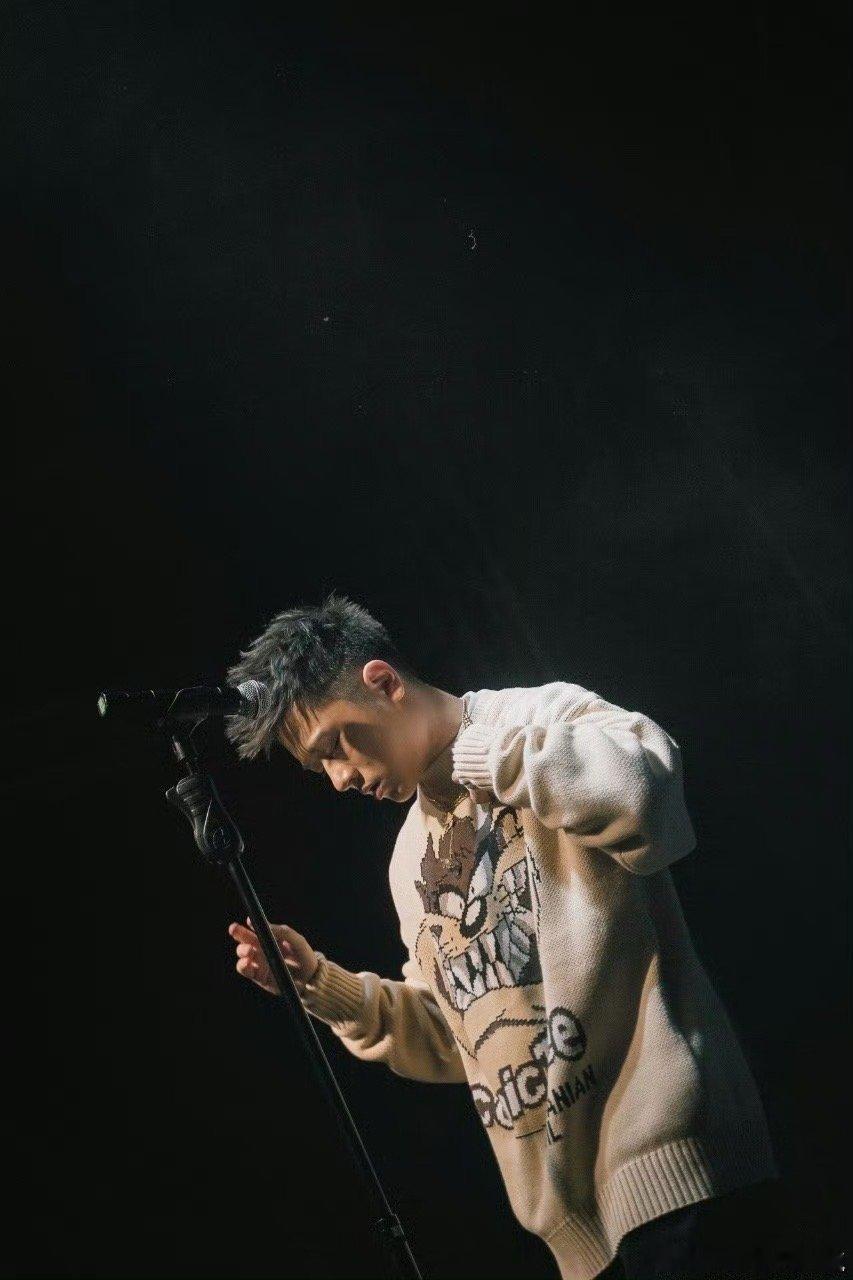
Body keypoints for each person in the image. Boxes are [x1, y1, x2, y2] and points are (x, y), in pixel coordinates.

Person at [223, 592, 785, 1280]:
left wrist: (477, 751)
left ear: (384, 683)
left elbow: (650, 801)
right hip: (581, 1238)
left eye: (335, 745)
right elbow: (462, 1034)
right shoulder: (408, 859)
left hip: (680, 1178)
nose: (338, 778)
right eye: (320, 770)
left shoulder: (535, 717)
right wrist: (319, 983)